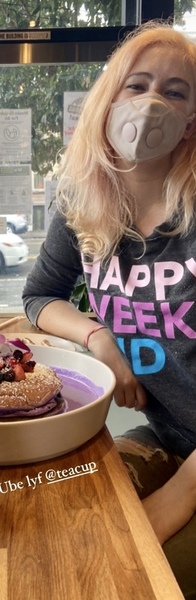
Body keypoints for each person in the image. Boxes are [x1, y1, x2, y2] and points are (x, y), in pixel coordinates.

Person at [23, 21, 196, 598]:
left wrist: (173, 501)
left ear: (192, 118)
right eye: (137, 84)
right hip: (167, 434)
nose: (152, 105)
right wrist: (97, 336)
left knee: (131, 573)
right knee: (57, 517)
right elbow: (40, 296)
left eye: (175, 91)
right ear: (107, 101)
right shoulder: (82, 202)